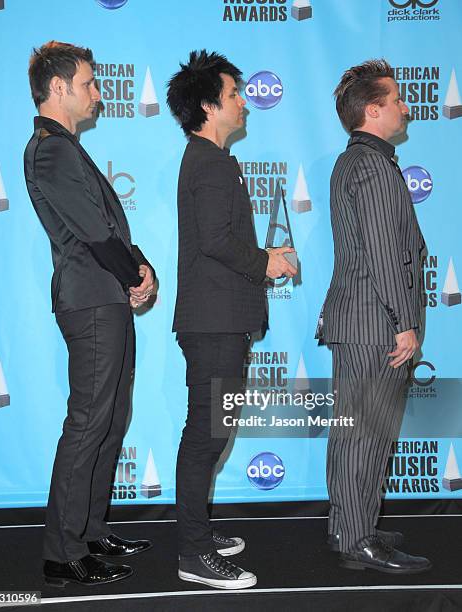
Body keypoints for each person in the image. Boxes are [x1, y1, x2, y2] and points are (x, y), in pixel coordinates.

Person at [24, 41, 155, 587]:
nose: (97, 93)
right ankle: (63, 551)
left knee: (110, 419)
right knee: (87, 424)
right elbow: (94, 231)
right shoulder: (51, 150)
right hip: (92, 300)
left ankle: (91, 531)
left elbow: (111, 224)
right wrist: (132, 275)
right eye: (88, 83)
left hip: (106, 297)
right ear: (59, 89)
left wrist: (141, 264)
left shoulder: (67, 149)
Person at [166, 50, 296, 589]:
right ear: (208, 106)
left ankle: (196, 532)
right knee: (206, 437)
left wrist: (262, 262)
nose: (245, 101)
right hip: (214, 321)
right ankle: (194, 554)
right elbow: (219, 242)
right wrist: (267, 261)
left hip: (217, 319)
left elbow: (219, 240)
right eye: (235, 93)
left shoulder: (210, 159)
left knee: (209, 435)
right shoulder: (211, 162)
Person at [318, 59, 431, 573]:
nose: (406, 107)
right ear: (374, 109)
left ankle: (352, 524)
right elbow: (387, 253)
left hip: (365, 321)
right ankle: (355, 538)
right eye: (398, 99)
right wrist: (404, 321)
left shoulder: (361, 162)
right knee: (364, 435)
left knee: (361, 434)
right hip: (375, 325)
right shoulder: (370, 165)